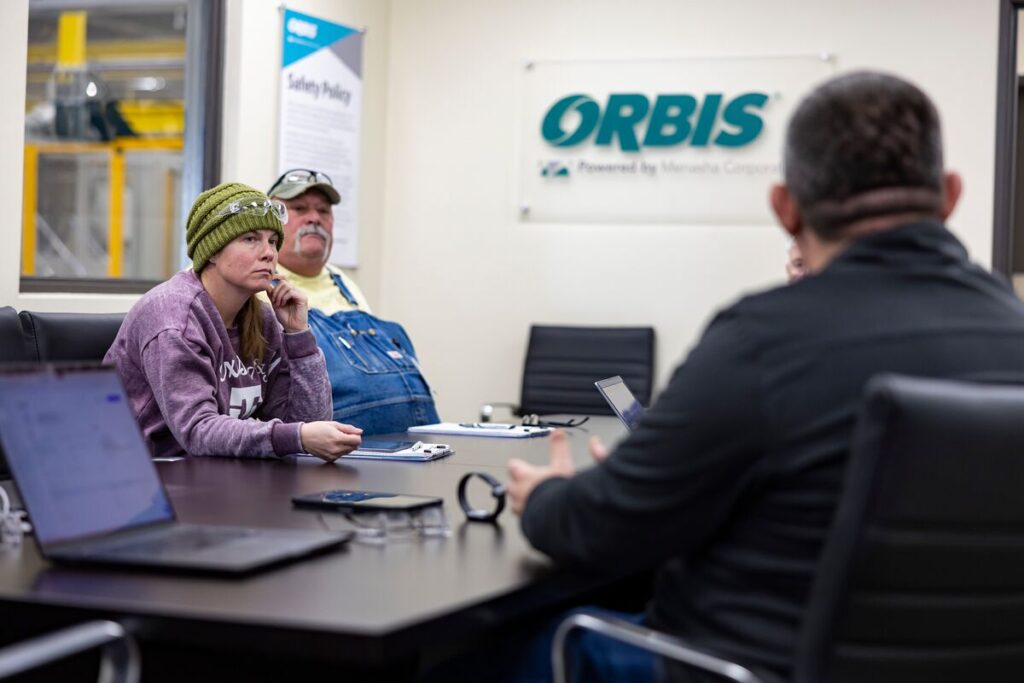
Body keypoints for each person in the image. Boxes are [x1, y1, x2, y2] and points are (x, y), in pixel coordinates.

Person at [506, 71, 1024, 682]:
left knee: (490, 656)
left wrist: (541, 496)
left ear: (785, 208)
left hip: (737, 669)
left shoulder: (762, 345)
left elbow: (598, 526)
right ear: (950, 196)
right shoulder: (1015, 330)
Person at [105, 182, 363, 462]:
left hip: (212, 474)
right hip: (138, 476)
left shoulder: (264, 319)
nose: (268, 253)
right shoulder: (173, 315)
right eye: (250, 239)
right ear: (212, 251)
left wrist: (298, 335)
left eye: (273, 241)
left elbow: (308, 422)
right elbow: (198, 430)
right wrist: (296, 436)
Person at [265, 169, 440, 434]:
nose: (314, 218)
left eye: (324, 211)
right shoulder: (259, 283)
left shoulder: (343, 282)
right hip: (343, 449)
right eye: (299, 208)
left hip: (422, 441)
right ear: (272, 223)